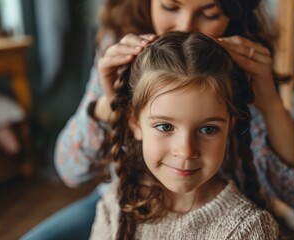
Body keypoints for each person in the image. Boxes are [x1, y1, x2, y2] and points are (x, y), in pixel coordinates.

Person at [22, 0, 294, 239]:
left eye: (209, 14)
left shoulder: (241, 73)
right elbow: (70, 171)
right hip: (129, 205)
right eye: (171, 7)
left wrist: (270, 101)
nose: (186, 27)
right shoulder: (119, 56)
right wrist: (110, 106)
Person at [90, 31, 279, 239]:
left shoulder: (249, 229)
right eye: (164, 127)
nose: (186, 151)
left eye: (208, 129)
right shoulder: (116, 202)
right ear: (135, 122)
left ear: (230, 127)